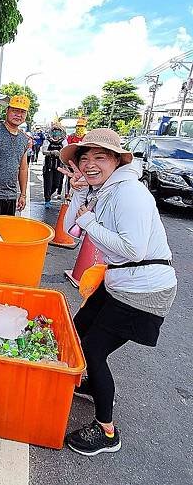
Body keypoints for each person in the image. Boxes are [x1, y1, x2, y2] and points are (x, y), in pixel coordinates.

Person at [59, 128, 177, 456]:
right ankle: (90, 383)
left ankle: (107, 431)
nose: (91, 164)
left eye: (100, 157)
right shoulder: (102, 190)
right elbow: (70, 230)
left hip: (144, 289)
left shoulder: (129, 193)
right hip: (119, 282)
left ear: (116, 160)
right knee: (78, 330)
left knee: (94, 349)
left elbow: (134, 249)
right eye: (85, 158)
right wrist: (80, 193)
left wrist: (92, 224)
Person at [42, 123, 67, 208]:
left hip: (59, 166)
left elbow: (65, 151)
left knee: (56, 183)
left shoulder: (63, 141)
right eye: (54, 131)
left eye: (58, 131)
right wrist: (52, 152)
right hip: (49, 165)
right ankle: (47, 199)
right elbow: (44, 151)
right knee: (48, 183)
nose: (56, 133)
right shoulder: (47, 140)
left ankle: (49, 194)